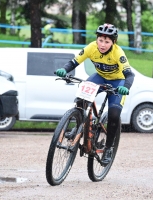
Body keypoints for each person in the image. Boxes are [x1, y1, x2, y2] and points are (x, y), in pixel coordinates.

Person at [55, 23, 135, 166]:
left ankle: (108, 148)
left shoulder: (118, 53)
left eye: (107, 41)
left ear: (113, 42)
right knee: (81, 98)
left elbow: (129, 74)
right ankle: (78, 126)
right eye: (100, 40)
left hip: (118, 82)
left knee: (114, 115)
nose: (102, 44)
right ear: (97, 39)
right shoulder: (91, 47)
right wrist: (64, 69)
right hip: (99, 77)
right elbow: (74, 61)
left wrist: (126, 87)